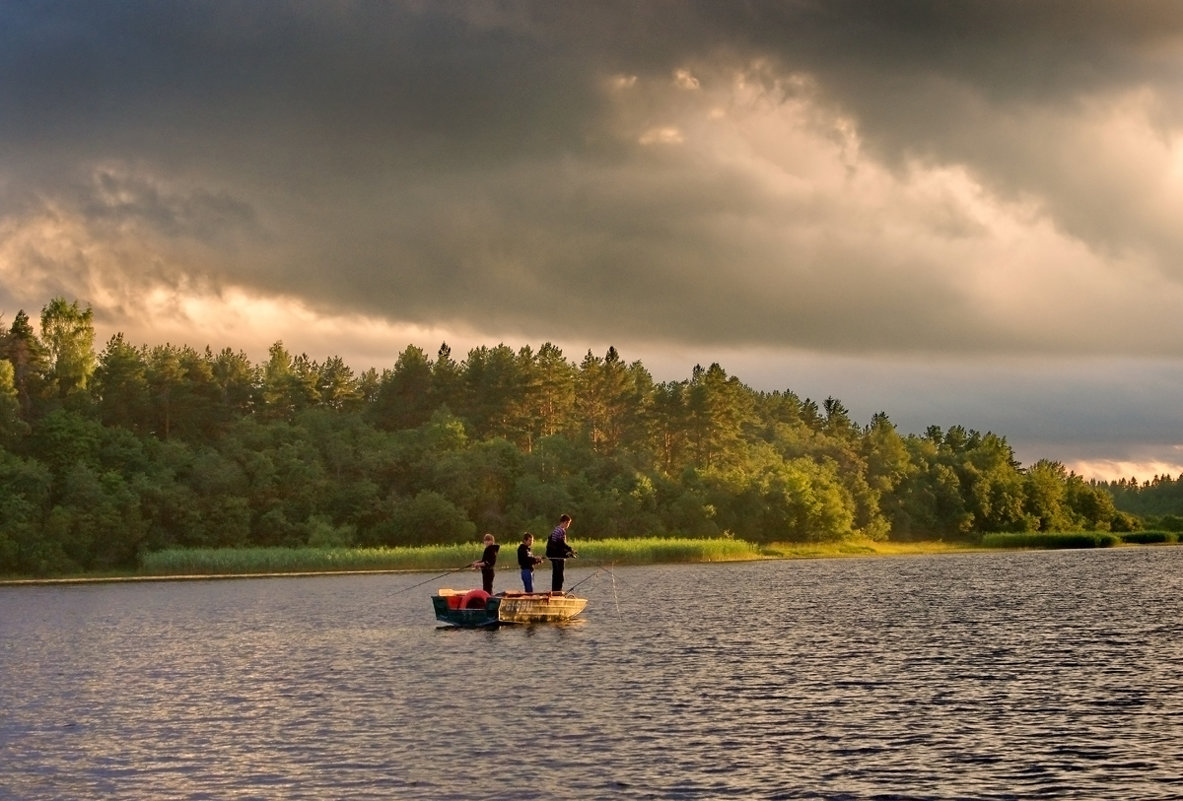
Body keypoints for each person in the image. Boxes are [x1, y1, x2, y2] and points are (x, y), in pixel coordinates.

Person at [545, 514, 576, 593]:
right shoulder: (561, 530)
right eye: (568, 523)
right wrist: (570, 549)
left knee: (556, 574)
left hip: (554, 555)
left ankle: (555, 591)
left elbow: (559, 546)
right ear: (565, 522)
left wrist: (568, 553)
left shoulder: (556, 529)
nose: (568, 525)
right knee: (559, 575)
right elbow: (560, 544)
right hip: (556, 556)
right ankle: (557, 591)